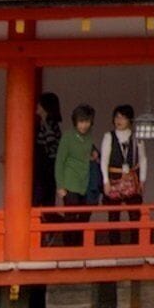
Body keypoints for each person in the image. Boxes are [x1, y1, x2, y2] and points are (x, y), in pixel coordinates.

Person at [97, 104, 149, 245]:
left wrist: (142, 180)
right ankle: (114, 245)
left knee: (134, 214)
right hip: (114, 178)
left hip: (132, 178)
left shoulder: (137, 137)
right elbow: (104, 161)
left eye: (123, 117)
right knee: (113, 215)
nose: (119, 120)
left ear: (129, 120)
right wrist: (106, 181)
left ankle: (135, 244)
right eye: (117, 117)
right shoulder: (109, 136)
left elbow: (143, 159)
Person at [53, 103, 99, 245]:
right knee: (71, 216)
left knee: (85, 215)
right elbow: (59, 161)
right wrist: (60, 185)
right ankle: (69, 246)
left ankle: (80, 245)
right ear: (75, 121)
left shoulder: (89, 136)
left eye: (87, 121)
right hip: (70, 182)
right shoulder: (67, 137)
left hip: (86, 181)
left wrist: (95, 153)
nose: (84, 125)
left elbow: (91, 151)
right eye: (81, 121)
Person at [32, 92, 65, 210]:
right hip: (46, 167)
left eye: (39, 104)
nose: (37, 106)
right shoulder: (44, 124)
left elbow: (51, 145)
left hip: (46, 167)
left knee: (39, 198)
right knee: (45, 200)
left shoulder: (49, 125)